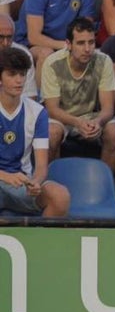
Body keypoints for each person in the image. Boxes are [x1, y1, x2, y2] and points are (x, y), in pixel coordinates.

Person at [0, 46, 68, 218]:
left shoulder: (37, 112)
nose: (19, 80)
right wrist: (5, 176)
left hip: (21, 183)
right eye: (12, 74)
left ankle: (44, 243)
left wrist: (36, 182)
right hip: (3, 178)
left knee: (60, 196)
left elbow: (41, 166)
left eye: (22, 74)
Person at [41, 17, 115, 167]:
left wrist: (98, 121)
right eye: (81, 43)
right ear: (68, 44)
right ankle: (51, 185)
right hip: (62, 118)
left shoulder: (104, 61)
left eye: (91, 42)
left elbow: (108, 108)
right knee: (51, 133)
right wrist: (77, 122)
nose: (87, 49)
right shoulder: (52, 63)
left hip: (92, 117)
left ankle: (103, 184)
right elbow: (52, 109)